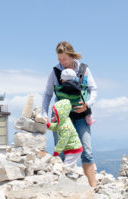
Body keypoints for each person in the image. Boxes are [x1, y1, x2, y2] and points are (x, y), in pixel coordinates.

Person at [41, 41, 98, 187]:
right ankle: (61, 187)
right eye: (59, 59)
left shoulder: (84, 69)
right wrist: (44, 112)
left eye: (64, 59)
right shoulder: (55, 72)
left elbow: (93, 89)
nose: (62, 62)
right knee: (61, 151)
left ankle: (93, 188)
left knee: (87, 150)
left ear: (72, 56)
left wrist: (87, 105)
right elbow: (47, 93)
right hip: (61, 118)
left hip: (81, 115)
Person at [46, 99, 83, 169]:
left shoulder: (65, 127)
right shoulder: (64, 121)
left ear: (61, 114)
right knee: (70, 166)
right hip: (71, 148)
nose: (54, 115)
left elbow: (62, 141)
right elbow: (55, 126)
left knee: (66, 167)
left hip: (74, 149)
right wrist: (48, 125)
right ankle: (73, 174)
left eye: (55, 113)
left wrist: (56, 152)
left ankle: (68, 178)